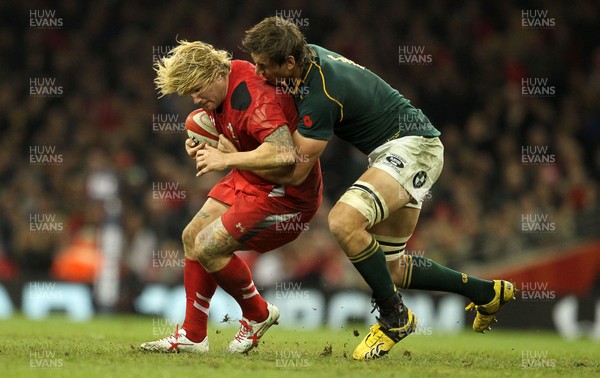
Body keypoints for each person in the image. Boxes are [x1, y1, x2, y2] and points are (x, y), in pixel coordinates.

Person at [229, 17, 515, 360]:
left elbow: (294, 171)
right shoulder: (306, 64)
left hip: (411, 147)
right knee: (393, 267)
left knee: (343, 221)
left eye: (263, 66)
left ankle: (395, 318)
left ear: (289, 62)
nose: (259, 73)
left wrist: (232, 156)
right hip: (402, 149)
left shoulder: (321, 92)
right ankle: (487, 292)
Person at [140, 40, 323, 354]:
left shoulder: (253, 95)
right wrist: (204, 140)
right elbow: (232, 131)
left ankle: (258, 314)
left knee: (210, 247)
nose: (196, 99)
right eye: (190, 94)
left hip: (285, 193)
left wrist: (226, 160)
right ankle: (193, 336)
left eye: (197, 90)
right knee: (191, 236)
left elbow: (283, 154)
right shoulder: (225, 85)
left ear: (215, 72)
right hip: (253, 178)